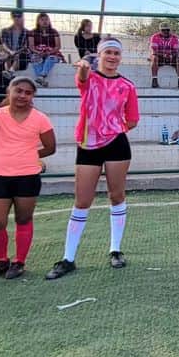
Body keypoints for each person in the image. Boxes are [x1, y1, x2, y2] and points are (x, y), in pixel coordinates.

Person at [47, 39, 140, 279]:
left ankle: (115, 250)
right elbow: (82, 78)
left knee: (116, 195)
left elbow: (132, 120)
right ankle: (68, 258)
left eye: (116, 53)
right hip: (88, 145)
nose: (112, 57)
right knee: (82, 201)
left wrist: (111, 129)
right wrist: (83, 68)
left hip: (117, 144)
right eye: (108, 52)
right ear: (99, 55)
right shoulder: (89, 78)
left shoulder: (127, 86)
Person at [0, 77, 55, 280]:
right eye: (18, 91)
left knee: (23, 219)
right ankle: (1, 260)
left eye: (28, 92)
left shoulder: (40, 118)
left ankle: (19, 262)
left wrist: (28, 156)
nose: (22, 95)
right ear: (9, 92)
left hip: (28, 176)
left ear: (33, 96)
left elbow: (50, 147)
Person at [28, 13, 63, 86]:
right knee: (35, 58)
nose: (45, 21)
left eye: (46, 19)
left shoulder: (54, 32)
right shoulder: (33, 32)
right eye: (42, 20)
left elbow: (58, 46)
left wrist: (49, 52)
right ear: (38, 21)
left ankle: (41, 76)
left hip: (52, 53)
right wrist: (38, 52)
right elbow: (31, 46)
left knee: (51, 58)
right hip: (37, 53)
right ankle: (41, 79)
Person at [148, 24, 179, 89]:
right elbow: (154, 51)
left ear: (169, 30)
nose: (165, 32)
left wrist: (170, 55)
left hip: (170, 57)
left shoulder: (174, 37)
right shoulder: (155, 37)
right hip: (159, 57)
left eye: (167, 30)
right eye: (163, 30)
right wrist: (164, 55)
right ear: (160, 30)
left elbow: (176, 51)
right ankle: (154, 81)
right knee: (154, 58)